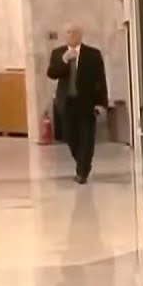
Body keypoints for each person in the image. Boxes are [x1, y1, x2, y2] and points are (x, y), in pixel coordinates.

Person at [46, 23, 108, 184]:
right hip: (66, 103)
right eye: (68, 32)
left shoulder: (93, 54)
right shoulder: (58, 53)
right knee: (71, 137)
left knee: (87, 137)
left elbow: (100, 79)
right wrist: (64, 61)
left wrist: (101, 103)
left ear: (81, 35)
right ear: (65, 35)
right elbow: (52, 73)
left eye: (75, 33)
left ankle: (83, 171)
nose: (71, 35)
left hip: (86, 103)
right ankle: (81, 161)